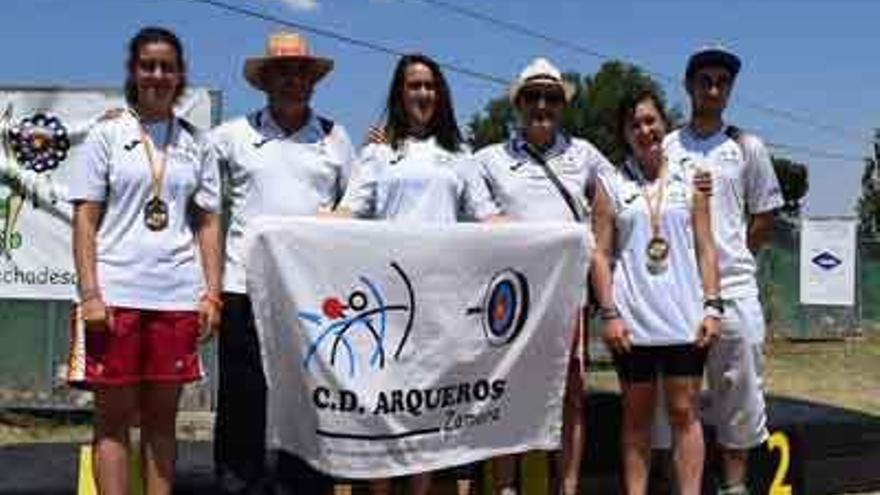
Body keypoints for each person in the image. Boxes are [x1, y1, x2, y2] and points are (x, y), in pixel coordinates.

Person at [69, 26, 222, 495]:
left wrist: (212, 293)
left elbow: (208, 223)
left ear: (180, 76)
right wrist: (91, 293)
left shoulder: (199, 143)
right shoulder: (107, 135)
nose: (158, 75)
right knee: (112, 421)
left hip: (176, 298)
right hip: (115, 298)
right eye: (148, 65)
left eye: (167, 67)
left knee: (162, 421)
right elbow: (85, 220)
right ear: (133, 72)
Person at [337, 52, 497, 495]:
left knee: (425, 410)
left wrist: (554, 235)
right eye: (414, 86)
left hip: (439, 302)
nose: (422, 93)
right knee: (383, 407)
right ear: (399, 94)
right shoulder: (377, 151)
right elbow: (349, 211)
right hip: (385, 302)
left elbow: (488, 219)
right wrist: (299, 226)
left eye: (429, 85)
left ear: (441, 94)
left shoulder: (459, 155)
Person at [209, 31, 358, 494]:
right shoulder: (230, 136)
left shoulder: (335, 138)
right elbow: (182, 170)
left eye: (300, 73)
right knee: (243, 397)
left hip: (313, 293)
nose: (293, 80)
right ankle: (239, 482)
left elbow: (357, 204)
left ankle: (307, 485)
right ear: (266, 80)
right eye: (283, 72)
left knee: (310, 396)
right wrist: (128, 119)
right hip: (243, 285)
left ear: (313, 81)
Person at [471, 57, 613, 495]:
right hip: (511, 299)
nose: (542, 105)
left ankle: (566, 488)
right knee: (507, 391)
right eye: (532, 96)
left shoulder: (585, 154)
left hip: (567, 298)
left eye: (551, 97)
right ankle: (507, 486)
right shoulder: (488, 159)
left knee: (571, 397)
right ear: (518, 104)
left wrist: (598, 239)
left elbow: (621, 196)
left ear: (562, 104)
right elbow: (478, 215)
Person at [661, 46, 784, 495]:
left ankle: (735, 486)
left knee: (740, 396)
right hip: (678, 292)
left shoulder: (747, 146)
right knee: (678, 401)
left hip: (733, 288)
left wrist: (735, 254)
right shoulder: (668, 145)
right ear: (689, 86)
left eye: (722, 82)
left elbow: (766, 214)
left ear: (729, 90)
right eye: (705, 81)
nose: (713, 89)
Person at [591, 88, 721, 495]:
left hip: (684, 319)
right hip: (633, 324)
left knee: (685, 413)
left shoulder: (691, 177)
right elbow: (599, 254)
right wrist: (609, 314)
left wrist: (713, 306)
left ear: (664, 124)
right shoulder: (611, 184)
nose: (644, 130)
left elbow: (705, 248)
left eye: (650, 121)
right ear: (624, 133)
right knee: (636, 419)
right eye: (634, 124)